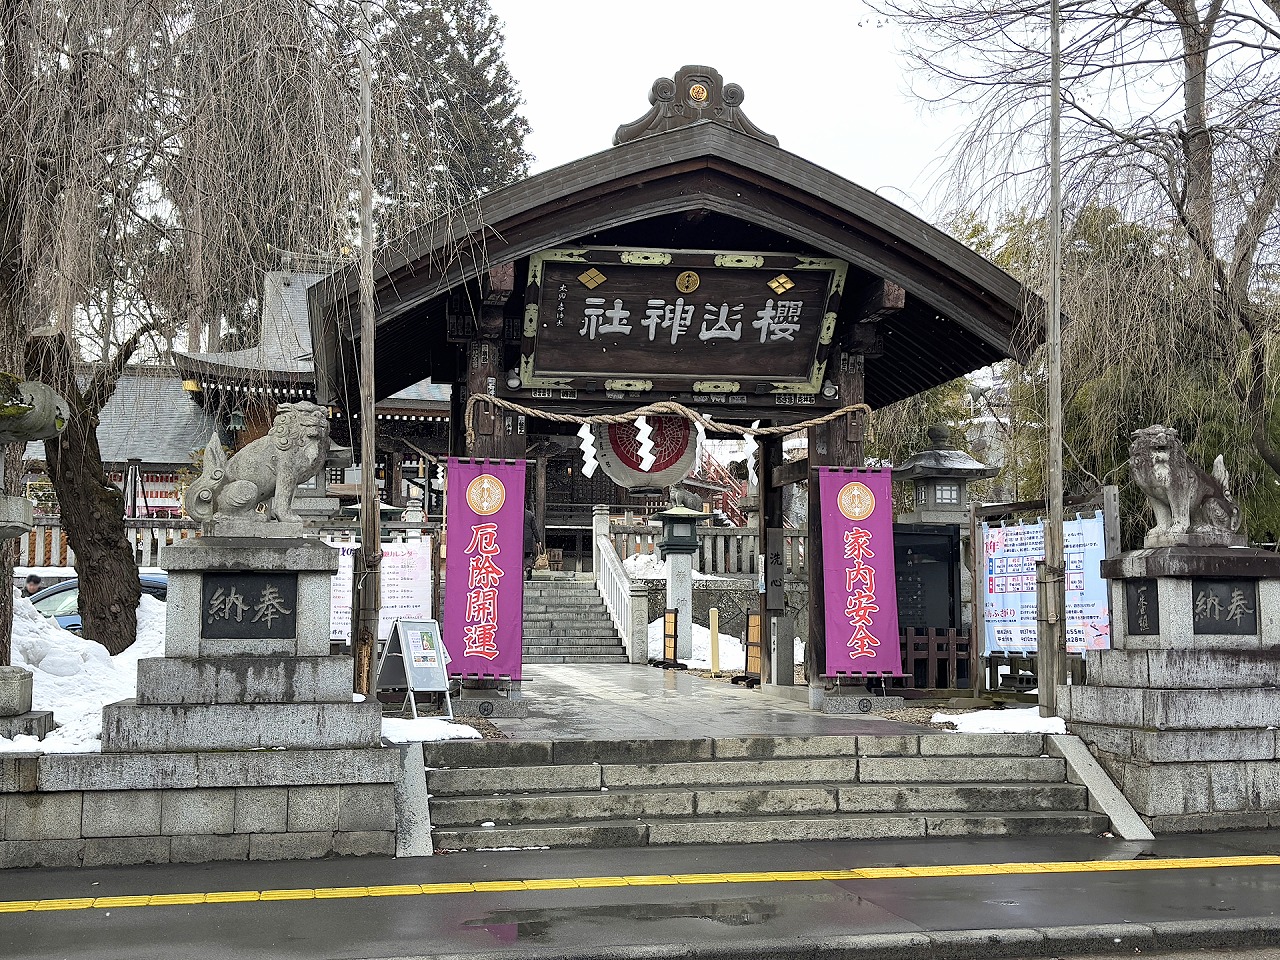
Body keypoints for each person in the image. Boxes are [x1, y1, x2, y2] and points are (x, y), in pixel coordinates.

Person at [523, 507, 543, 581]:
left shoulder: (516, 514)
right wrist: (538, 540)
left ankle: (519, 571)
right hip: (528, 538)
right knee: (527, 556)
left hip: (518, 538)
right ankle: (528, 568)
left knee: (518, 557)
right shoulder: (530, 515)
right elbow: (534, 528)